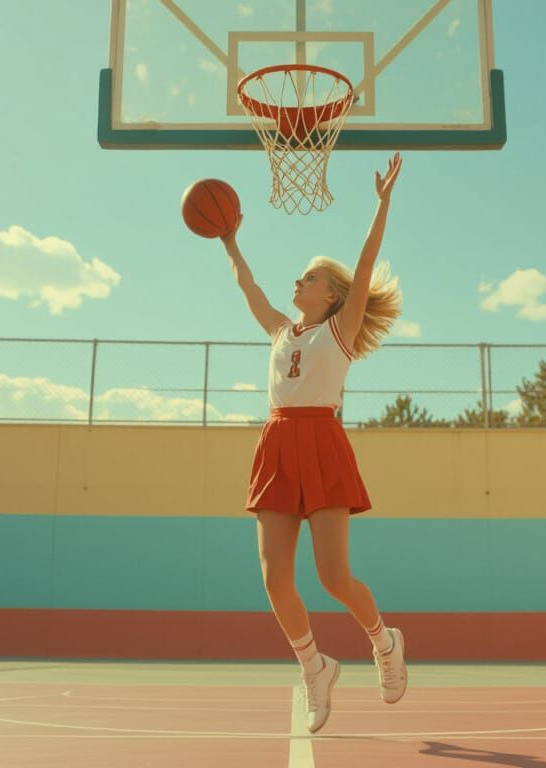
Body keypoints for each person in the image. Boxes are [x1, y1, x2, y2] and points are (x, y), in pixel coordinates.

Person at [218, 153, 407, 733]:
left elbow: (367, 260)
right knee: (274, 579)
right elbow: (248, 287)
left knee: (332, 576)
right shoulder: (281, 330)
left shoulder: (339, 329)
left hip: (321, 439)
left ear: (330, 295)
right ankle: (315, 666)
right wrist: (229, 240)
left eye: (310, 276)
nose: (298, 281)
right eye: (300, 276)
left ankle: (384, 640)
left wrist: (382, 204)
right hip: (277, 441)